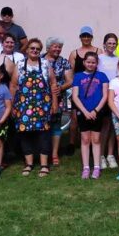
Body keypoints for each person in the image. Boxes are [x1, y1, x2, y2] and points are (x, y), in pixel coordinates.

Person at [12, 38, 58, 178]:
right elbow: (13, 85)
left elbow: (53, 84)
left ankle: (44, 165)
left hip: (42, 105)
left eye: (38, 49)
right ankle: (29, 164)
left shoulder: (45, 64)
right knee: (25, 134)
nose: (35, 50)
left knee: (44, 134)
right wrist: (12, 105)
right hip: (23, 106)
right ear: (27, 50)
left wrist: (54, 103)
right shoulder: (20, 64)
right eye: (32, 48)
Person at [71, 52, 109, 179]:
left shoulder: (102, 76)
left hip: (97, 112)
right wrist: (85, 111)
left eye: (93, 62)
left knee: (96, 139)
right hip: (83, 112)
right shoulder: (78, 76)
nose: (91, 64)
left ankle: (97, 167)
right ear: (84, 62)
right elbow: (75, 96)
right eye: (88, 62)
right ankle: (86, 167)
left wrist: (95, 111)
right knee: (85, 139)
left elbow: (105, 96)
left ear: (97, 63)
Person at [44, 37, 73, 166]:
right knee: (42, 125)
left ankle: (54, 153)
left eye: (59, 47)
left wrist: (59, 88)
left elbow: (70, 81)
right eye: (55, 46)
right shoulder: (40, 59)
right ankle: (43, 151)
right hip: (40, 98)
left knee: (56, 125)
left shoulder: (64, 62)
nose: (57, 49)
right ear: (48, 47)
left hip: (58, 97)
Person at [97, 33, 119, 169]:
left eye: (114, 43)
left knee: (113, 126)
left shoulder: (118, 59)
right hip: (103, 96)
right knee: (104, 126)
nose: (111, 45)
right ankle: (101, 155)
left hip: (116, 96)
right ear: (104, 44)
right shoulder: (99, 58)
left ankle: (110, 154)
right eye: (109, 43)